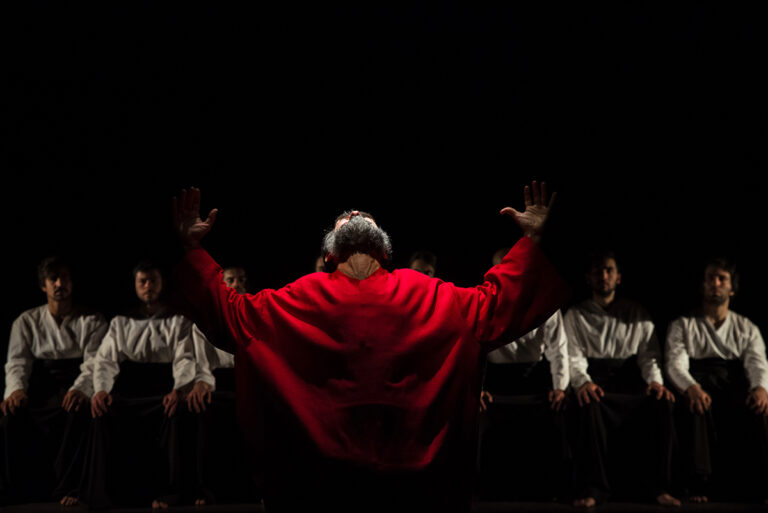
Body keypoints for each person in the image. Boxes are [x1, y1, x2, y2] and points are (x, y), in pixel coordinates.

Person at [173, 182, 569, 513]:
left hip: (413, 495)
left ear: (385, 248)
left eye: (365, 217)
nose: (356, 215)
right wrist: (193, 249)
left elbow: (496, 306)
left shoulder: (428, 292)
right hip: (321, 492)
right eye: (346, 217)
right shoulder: (298, 298)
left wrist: (532, 241)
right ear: (329, 252)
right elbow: (230, 315)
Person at [80, 260, 202, 509]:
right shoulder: (121, 322)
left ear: (161, 284)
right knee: (102, 412)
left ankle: (168, 492)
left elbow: (184, 358)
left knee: (176, 413)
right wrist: (101, 389)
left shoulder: (178, 320)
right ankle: (113, 493)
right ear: (135, 286)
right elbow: (105, 360)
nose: (148, 286)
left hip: (163, 390)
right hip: (129, 390)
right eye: (142, 281)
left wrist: (178, 389)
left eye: (153, 281)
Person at [565, 250, 679, 507]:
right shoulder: (575, 315)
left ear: (618, 278)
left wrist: (655, 382)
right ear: (588, 278)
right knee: (588, 403)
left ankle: (659, 487)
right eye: (597, 271)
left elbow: (649, 356)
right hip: (596, 382)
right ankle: (593, 488)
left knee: (661, 403)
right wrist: (583, 382)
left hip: (630, 382)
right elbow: (573, 356)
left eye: (608, 270)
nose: (603, 276)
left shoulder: (636, 312)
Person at [0, 256, 107, 507]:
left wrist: (81, 389)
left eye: (65, 278)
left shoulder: (92, 319)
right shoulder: (26, 321)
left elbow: (95, 362)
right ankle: (14, 488)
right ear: (43, 286)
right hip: (40, 386)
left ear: (72, 282)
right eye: (53, 279)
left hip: (76, 382)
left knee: (78, 413)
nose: (60, 283)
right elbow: (17, 362)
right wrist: (15, 391)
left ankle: (70, 487)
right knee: (9, 418)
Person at [665, 257, 768, 503]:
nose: (716, 283)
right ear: (703, 285)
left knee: (760, 409)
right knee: (696, 406)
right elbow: (674, 362)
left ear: (732, 288)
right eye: (711, 278)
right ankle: (698, 483)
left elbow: (756, 362)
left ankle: (760, 485)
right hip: (697, 381)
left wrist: (760, 388)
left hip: (732, 383)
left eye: (722, 278)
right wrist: (690, 387)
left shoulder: (746, 327)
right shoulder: (683, 324)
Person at [476, 305, 570, 501]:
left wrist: (559, 386)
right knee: (478, 418)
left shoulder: (547, 305)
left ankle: (551, 487)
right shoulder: (487, 304)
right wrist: (478, 387)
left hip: (534, 377)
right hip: (496, 380)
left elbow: (558, 349)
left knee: (557, 412)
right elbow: (476, 348)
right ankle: (482, 488)